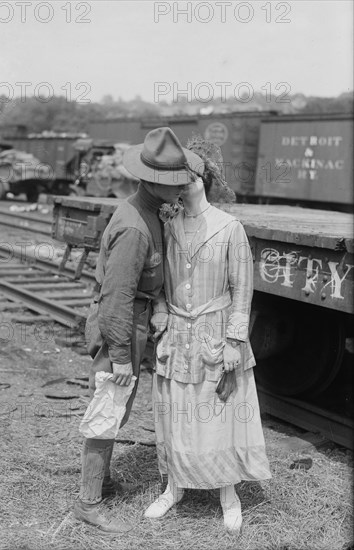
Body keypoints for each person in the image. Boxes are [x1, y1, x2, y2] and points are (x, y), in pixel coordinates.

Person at [73, 127, 204, 535]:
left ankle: (103, 481)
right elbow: (115, 298)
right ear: (155, 182)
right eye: (176, 182)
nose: (183, 188)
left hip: (135, 322)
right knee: (108, 408)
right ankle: (88, 502)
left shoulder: (149, 211)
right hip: (122, 324)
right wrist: (119, 355)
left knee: (117, 408)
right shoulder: (134, 227)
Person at [144, 135, 271, 533]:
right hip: (178, 333)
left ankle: (228, 494)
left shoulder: (230, 227)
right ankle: (174, 487)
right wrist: (162, 310)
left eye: (192, 176)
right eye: (181, 178)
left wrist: (235, 342)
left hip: (216, 334)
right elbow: (160, 281)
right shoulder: (169, 226)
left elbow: (242, 290)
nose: (186, 184)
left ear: (205, 179)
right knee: (177, 411)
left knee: (220, 412)